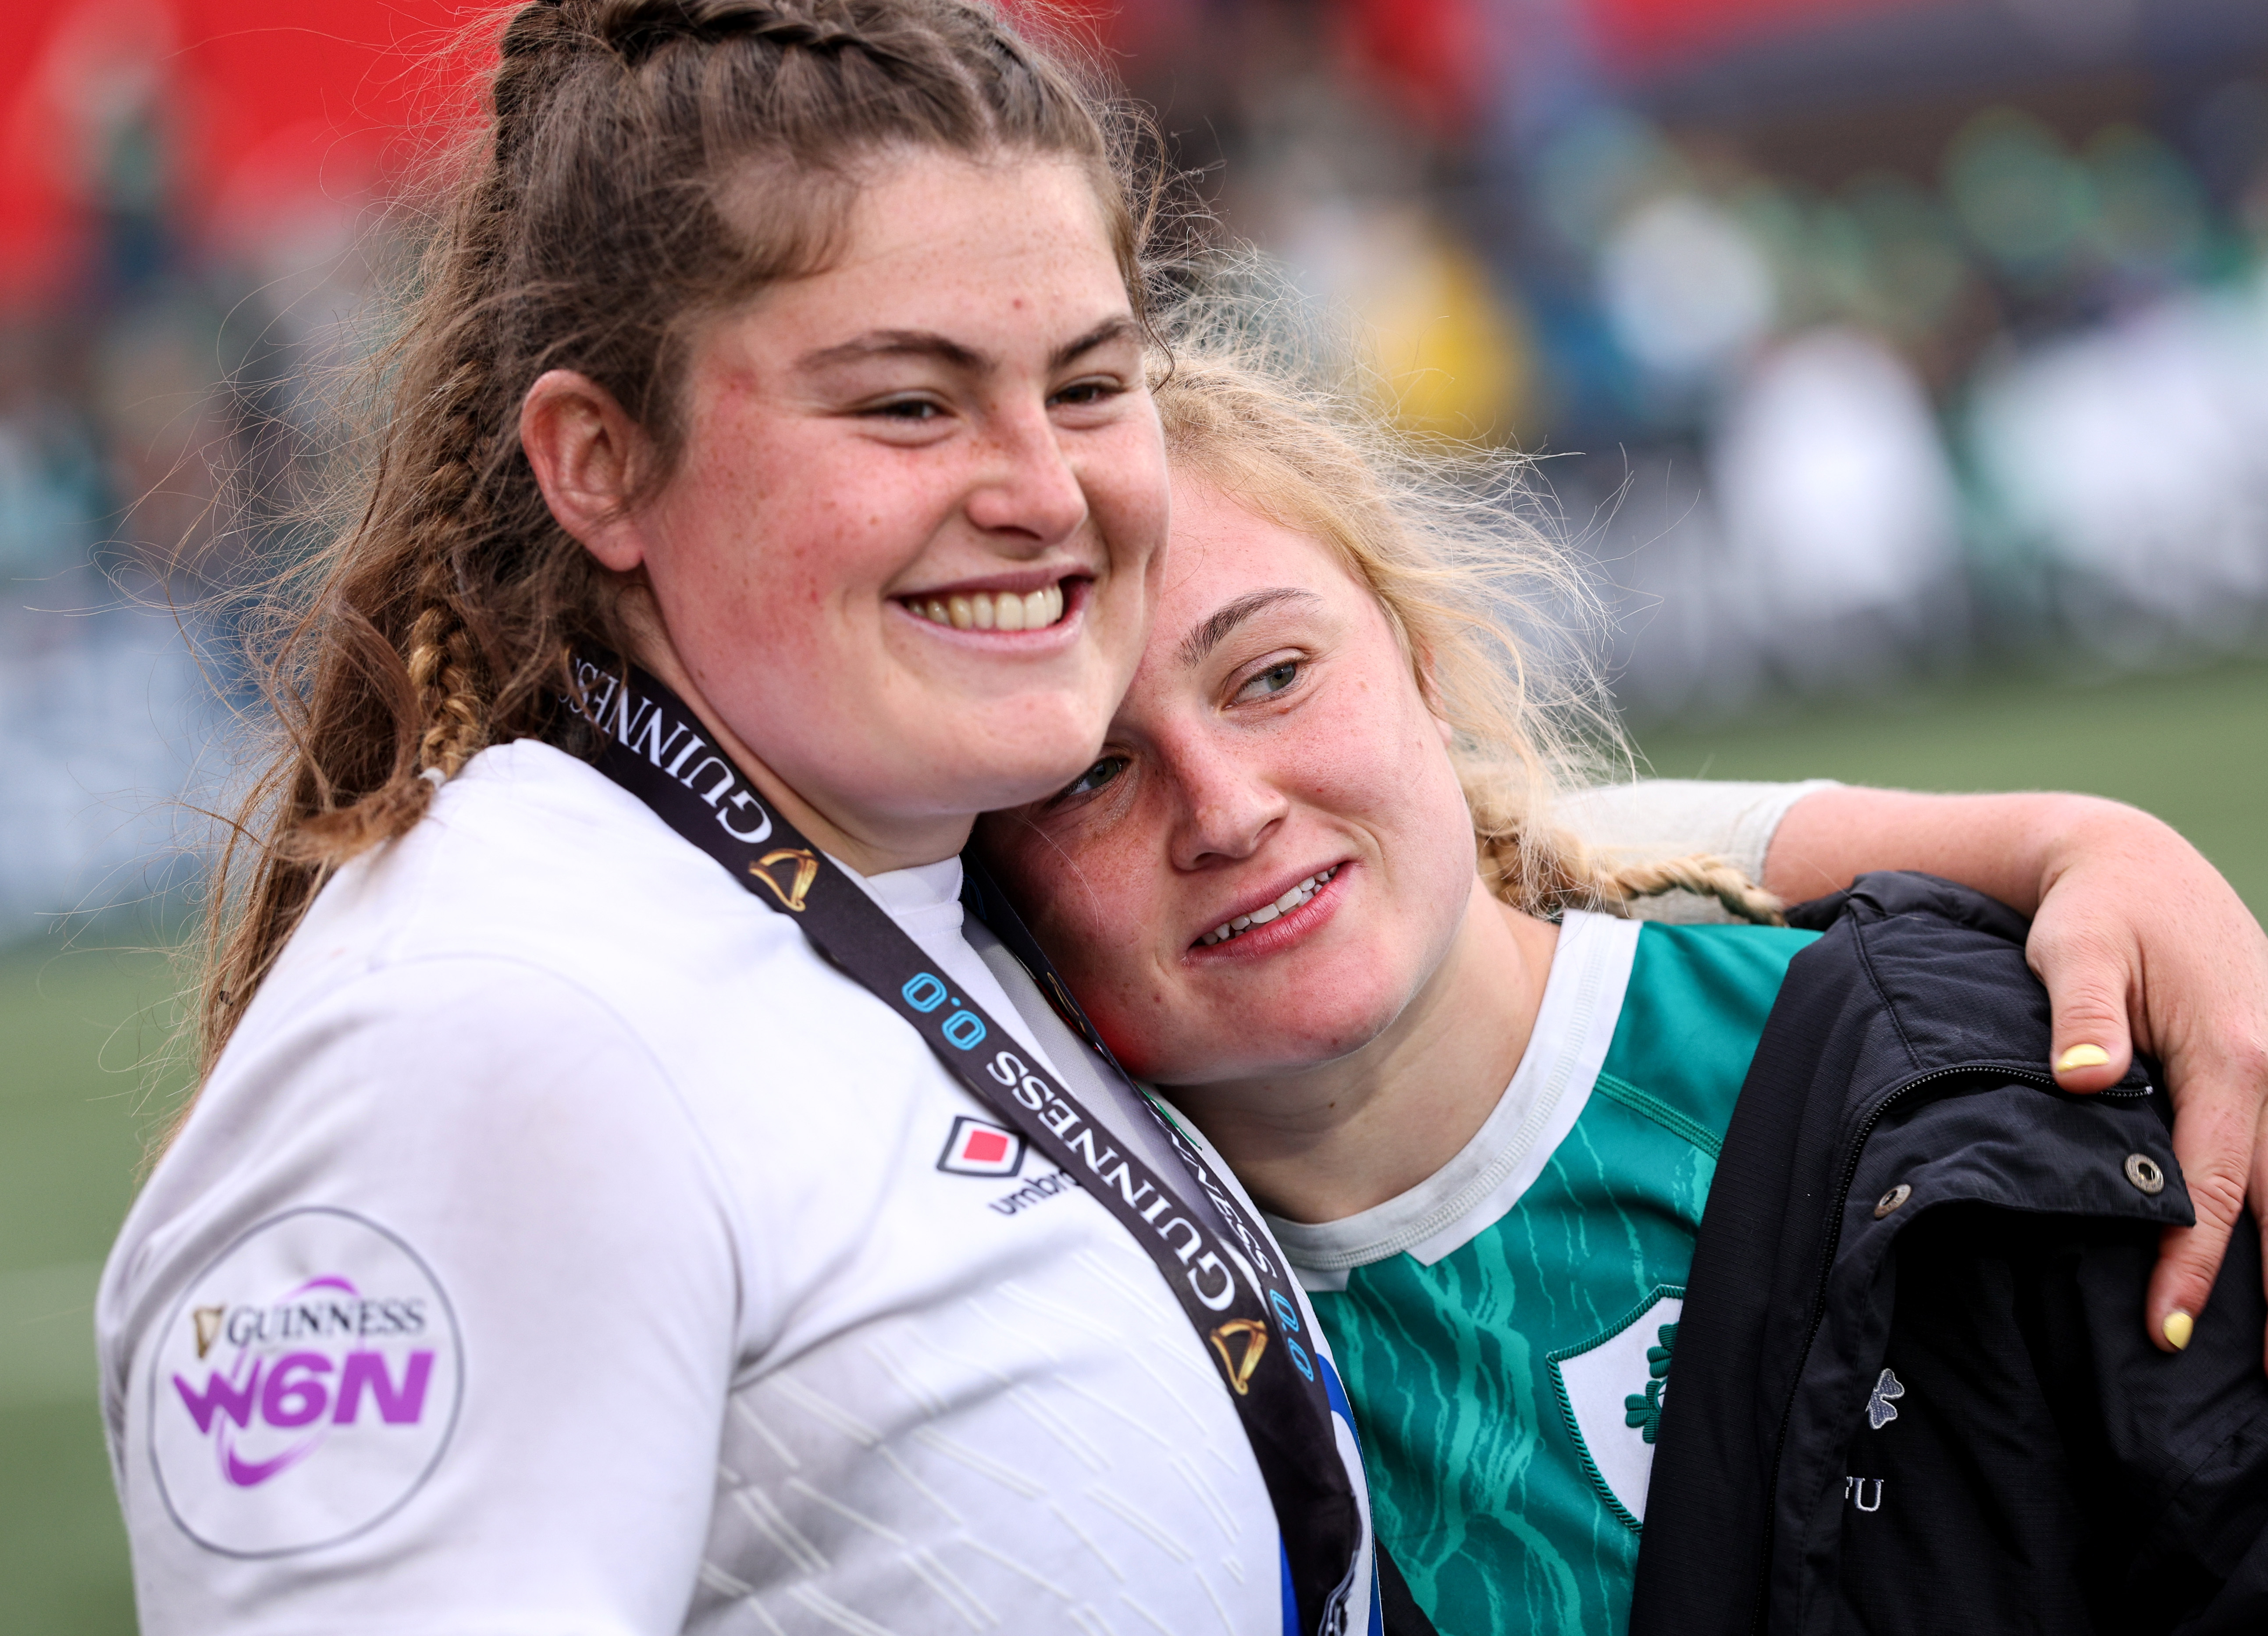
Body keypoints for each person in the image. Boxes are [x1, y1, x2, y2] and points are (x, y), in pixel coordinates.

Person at [98, 6, 1394, 1631]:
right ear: (601, 463)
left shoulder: (909, 861)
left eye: (1086, 384)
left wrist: (1753, 859)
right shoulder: (496, 1025)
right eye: (909, 406)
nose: (1043, 490)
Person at [970, 347, 2268, 1633]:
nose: (1224, 808)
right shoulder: (1050, 1311)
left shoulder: (1967, 1080)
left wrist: (2090, 837)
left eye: (1274, 674)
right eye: (1091, 771)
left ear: (1420, 664)